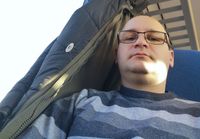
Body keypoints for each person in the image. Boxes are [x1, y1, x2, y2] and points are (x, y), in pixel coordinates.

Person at [19, 15, 200, 138]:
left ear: (171, 57)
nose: (141, 42)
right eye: (129, 37)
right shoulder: (78, 103)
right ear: (116, 56)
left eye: (154, 38)